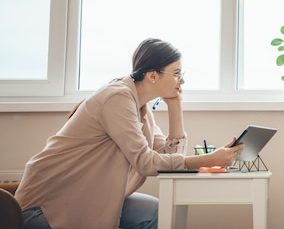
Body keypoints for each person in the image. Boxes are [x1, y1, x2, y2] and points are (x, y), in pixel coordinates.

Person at [15, 38, 244, 229]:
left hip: (89, 199)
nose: (182, 80)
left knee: (154, 212)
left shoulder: (141, 109)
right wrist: (207, 160)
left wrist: (175, 107)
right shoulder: (117, 98)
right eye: (176, 73)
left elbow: (168, 156)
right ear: (153, 75)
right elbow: (146, 162)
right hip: (46, 208)